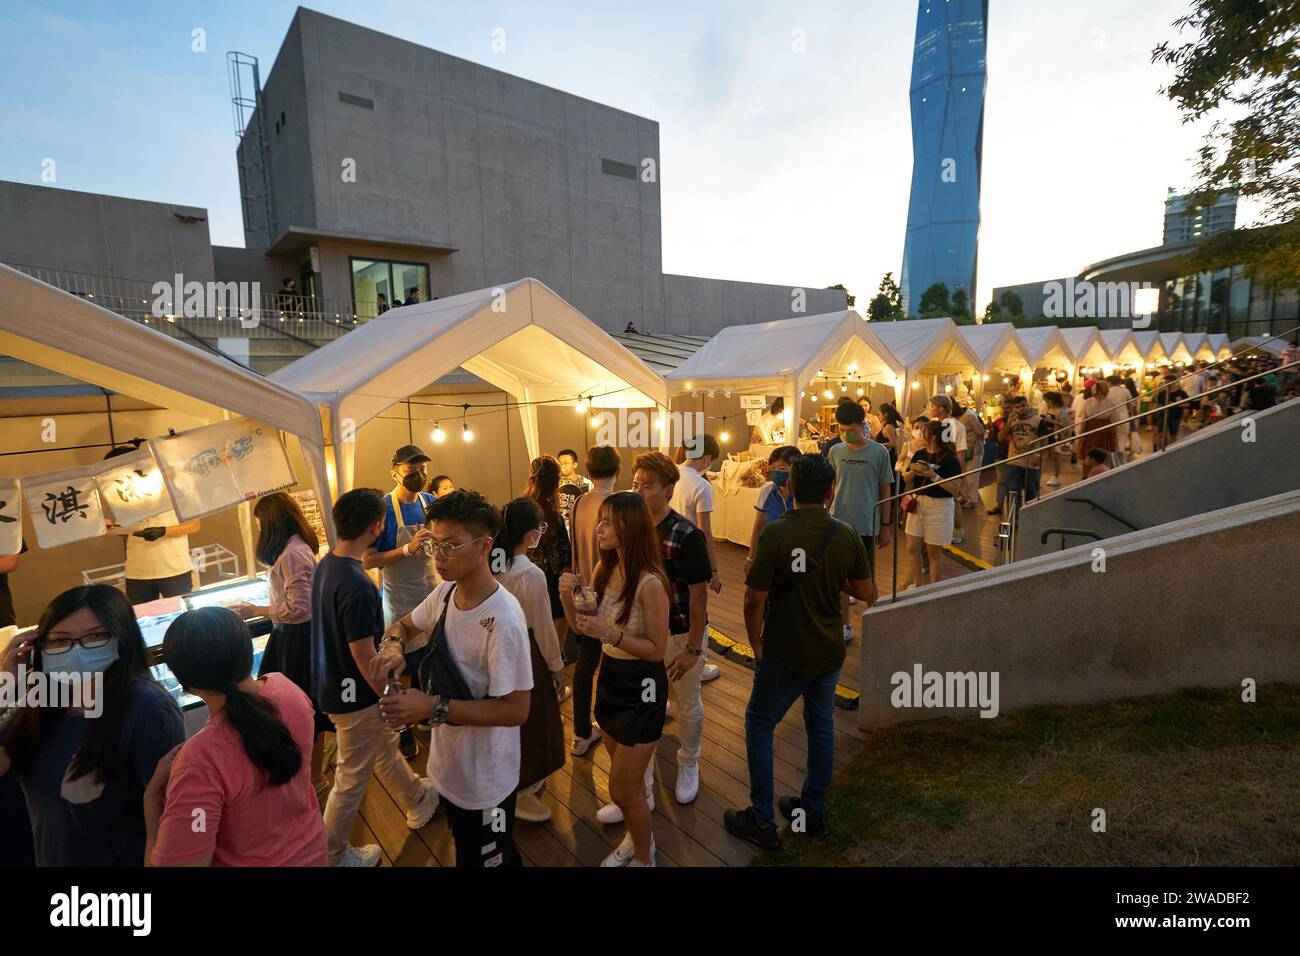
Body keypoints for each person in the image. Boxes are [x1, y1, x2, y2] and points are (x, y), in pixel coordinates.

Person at [376, 490, 533, 867]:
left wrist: (429, 706)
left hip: (487, 779)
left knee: (489, 857)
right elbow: (403, 625)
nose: (439, 557)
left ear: (485, 546)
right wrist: (393, 646)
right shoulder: (446, 593)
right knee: (468, 849)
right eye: (434, 545)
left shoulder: (503, 621)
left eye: (450, 546)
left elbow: (516, 710)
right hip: (449, 768)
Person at [725, 455, 872, 850]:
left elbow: (753, 599)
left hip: (784, 651)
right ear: (830, 492)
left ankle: (760, 817)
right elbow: (865, 593)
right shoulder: (845, 535)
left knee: (759, 724)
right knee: (820, 726)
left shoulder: (775, 534)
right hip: (827, 650)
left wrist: (755, 642)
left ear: (790, 488)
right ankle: (812, 809)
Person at [0, 585, 185, 865]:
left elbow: (172, 818)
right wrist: (5, 683)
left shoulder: (147, 708)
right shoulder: (44, 701)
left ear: (122, 638)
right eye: (61, 640)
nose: (77, 651)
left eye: (96, 636)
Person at [312, 488, 439, 867]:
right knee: (350, 779)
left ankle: (417, 798)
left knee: (382, 745)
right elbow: (363, 653)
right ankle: (331, 854)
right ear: (377, 525)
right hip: (355, 696)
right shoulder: (357, 583)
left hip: (333, 685)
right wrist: (391, 696)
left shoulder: (327, 565)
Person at [144, 607, 328, 866]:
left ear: (185, 684)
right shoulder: (287, 690)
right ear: (247, 652)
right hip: (314, 852)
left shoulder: (199, 761)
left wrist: (151, 802)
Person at [559, 492, 670, 867]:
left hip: (643, 688)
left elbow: (657, 650)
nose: (599, 528)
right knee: (628, 786)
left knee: (622, 787)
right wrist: (566, 600)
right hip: (610, 680)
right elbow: (583, 630)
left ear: (630, 527)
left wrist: (610, 633)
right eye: (600, 520)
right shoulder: (603, 570)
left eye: (607, 521)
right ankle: (637, 836)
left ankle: (644, 853)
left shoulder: (650, 584)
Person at [629, 452, 712, 807]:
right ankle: (642, 776)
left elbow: (698, 597)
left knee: (689, 700)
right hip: (642, 633)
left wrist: (693, 648)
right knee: (649, 699)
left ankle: (688, 761)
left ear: (667, 490)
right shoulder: (632, 527)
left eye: (646, 486)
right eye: (635, 484)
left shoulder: (685, 534)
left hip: (679, 631)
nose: (638, 492)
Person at [234, 491, 329, 794]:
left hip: (298, 640)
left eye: (261, 524)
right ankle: (312, 776)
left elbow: (301, 608)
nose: (261, 530)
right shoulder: (297, 548)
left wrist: (256, 610)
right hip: (299, 637)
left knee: (302, 706)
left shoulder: (292, 554)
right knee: (306, 705)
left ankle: (312, 779)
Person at [491, 497, 566, 824]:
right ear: (533, 534)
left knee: (506, 719)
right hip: (525, 654)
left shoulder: (492, 564)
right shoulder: (530, 574)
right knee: (534, 721)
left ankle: (516, 782)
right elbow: (543, 625)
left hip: (493, 653)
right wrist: (557, 666)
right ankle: (520, 788)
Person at [364, 444, 438, 758]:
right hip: (398, 596)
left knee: (431, 656)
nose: (419, 474)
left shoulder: (431, 502)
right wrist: (407, 549)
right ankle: (401, 727)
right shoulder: (383, 509)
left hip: (430, 589)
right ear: (395, 472)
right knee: (401, 663)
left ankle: (424, 714)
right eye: (412, 469)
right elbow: (368, 559)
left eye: (423, 469)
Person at [568, 445, 620, 756]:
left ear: (588, 472)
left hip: (583, 593)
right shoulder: (616, 505)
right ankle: (615, 726)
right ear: (619, 469)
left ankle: (580, 732)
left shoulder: (579, 502)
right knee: (616, 659)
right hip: (611, 592)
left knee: (586, 664)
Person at [826, 401, 891, 641]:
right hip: (838, 523)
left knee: (867, 577)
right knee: (841, 579)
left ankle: (873, 617)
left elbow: (886, 491)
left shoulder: (879, 452)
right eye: (841, 429)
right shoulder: (835, 451)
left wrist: (885, 526)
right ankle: (845, 624)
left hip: (866, 525)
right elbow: (830, 488)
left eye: (850, 429)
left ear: (862, 425)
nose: (845, 434)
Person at [105, 442, 201, 603]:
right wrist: (111, 528)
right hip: (137, 571)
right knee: (144, 620)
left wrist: (163, 531)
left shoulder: (173, 486)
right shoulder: (122, 494)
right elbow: (129, 530)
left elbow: (194, 525)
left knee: (182, 615)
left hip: (173, 568)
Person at [669, 434, 723, 683]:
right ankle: (697, 666)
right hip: (692, 553)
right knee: (698, 607)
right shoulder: (702, 486)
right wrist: (714, 570)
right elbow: (706, 532)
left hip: (667, 548)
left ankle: (671, 657)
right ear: (708, 457)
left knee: (673, 606)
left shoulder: (671, 472)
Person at [523, 456, 573, 654]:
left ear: (531, 478)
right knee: (554, 645)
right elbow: (564, 558)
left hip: (526, 577)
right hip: (550, 580)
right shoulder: (553, 515)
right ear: (557, 482)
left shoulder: (521, 508)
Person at [904, 421, 962, 587]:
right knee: (912, 548)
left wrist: (933, 476)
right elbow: (906, 478)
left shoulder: (951, 460)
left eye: (924, 431)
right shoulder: (919, 454)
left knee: (933, 553)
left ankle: (933, 590)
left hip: (940, 507)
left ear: (933, 437)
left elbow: (955, 490)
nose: (920, 434)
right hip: (918, 503)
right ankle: (917, 585)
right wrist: (914, 470)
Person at [746, 445, 800, 573]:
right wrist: (751, 557)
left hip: (798, 552)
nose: (776, 472)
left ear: (796, 469)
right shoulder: (766, 491)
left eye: (782, 468)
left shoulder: (803, 494)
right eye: (773, 468)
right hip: (771, 550)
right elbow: (758, 526)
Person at [925, 395, 968, 543]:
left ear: (941, 408)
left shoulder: (956, 426)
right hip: (937, 465)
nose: (930, 409)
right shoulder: (935, 425)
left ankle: (958, 530)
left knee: (953, 500)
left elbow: (960, 452)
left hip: (949, 466)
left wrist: (959, 474)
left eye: (932, 406)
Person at [999, 396, 1053, 510]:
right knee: (1013, 493)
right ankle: (1014, 521)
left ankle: (1028, 521)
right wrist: (1009, 423)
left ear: (1028, 405)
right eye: (1017, 407)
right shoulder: (1011, 421)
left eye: (1023, 405)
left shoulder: (1039, 421)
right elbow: (1000, 437)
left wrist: (1040, 470)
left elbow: (1045, 446)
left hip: (1031, 463)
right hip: (1013, 461)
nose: (1020, 409)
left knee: (1031, 496)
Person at [556, 448, 594, 535]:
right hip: (559, 528)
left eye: (565, 463)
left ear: (575, 464)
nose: (563, 466)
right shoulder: (554, 484)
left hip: (579, 528)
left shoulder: (586, 483)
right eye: (560, 463)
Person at [1041, 392, 1070, 487]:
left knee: (1056, 457)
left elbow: (1064, 425)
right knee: (1046, 456)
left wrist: (1051, 421)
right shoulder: (1050, 409)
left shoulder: (1062, 411)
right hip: (1049, 434)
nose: (1046, 402)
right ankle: (1039, 477)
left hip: (1057, 436)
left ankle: (1056, 476)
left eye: (1048, 401)